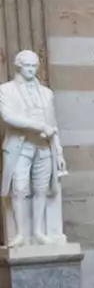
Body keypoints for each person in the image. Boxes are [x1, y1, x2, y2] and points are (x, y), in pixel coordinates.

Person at [0, 50, 67, 247]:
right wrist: (39, 126)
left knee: (42, 190)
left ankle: (38, 231)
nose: (30, 70)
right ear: (18, 66)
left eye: (33, 66)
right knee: (19, 189)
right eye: (27, 66)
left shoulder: (46, 93)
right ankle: (20, 233)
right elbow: (8, 117)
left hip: (44, 148)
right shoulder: (5, 90)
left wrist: (59, 151)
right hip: (20, 147)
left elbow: (53, 124)